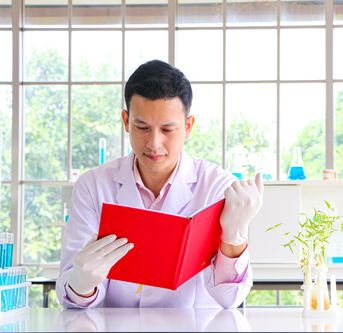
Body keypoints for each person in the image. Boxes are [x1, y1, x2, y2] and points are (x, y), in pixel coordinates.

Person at [57, 60, 263, 308]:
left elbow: (229, 299)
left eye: (167, 129)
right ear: (125, 121)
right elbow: (73, 298)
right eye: (142, 127)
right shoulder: (93, 185)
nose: (154, 143)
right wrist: (82, 283)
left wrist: (234, 236)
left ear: (188, 127)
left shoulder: (217, 186)